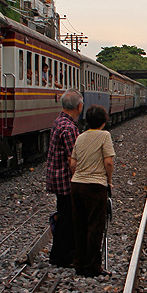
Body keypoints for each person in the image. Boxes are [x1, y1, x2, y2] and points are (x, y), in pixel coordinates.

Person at [69, 104, 115, 277]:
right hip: (96, 185)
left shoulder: (80, 137)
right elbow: (108, 162)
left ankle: (79, 264)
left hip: (77, 185)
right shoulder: (105, 135)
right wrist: (108, 181)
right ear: (104, 120)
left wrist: (79, 177)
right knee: (95, 226)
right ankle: (93, 267)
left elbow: (72, 164)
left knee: (79, 225)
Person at [46, 89, 83, 268]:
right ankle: (62, 256)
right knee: (68, 218)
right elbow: (72, 159)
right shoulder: (69, 128)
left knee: (64, 215)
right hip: (66, 180)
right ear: (79, 106)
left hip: (57, 177)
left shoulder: (59, 122)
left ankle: (60, 253)